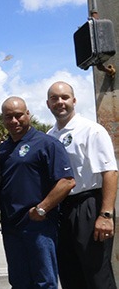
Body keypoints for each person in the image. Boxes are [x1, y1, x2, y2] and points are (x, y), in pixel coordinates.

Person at [46, 81, 118, 289]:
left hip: (88, 205)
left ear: (74, 100)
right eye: (54, 98)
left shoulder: (91, 130)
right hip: (61, 210)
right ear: (48, 104)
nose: (60, 102)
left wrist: (105, 215)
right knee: (69, 273)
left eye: (65, 97)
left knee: (96, 274)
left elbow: (110, 172)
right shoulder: (50, 137)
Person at [0, 96, 75, 289]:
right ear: (3, 119)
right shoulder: (1, 150)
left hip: (39, 226)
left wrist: (42, 209)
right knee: (19, 282)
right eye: (9, 117)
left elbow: (66, 182)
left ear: (28, 114)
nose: (14, 121)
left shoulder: (47, 143)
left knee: (45, 282)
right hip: (11, 227)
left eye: (18, 115)